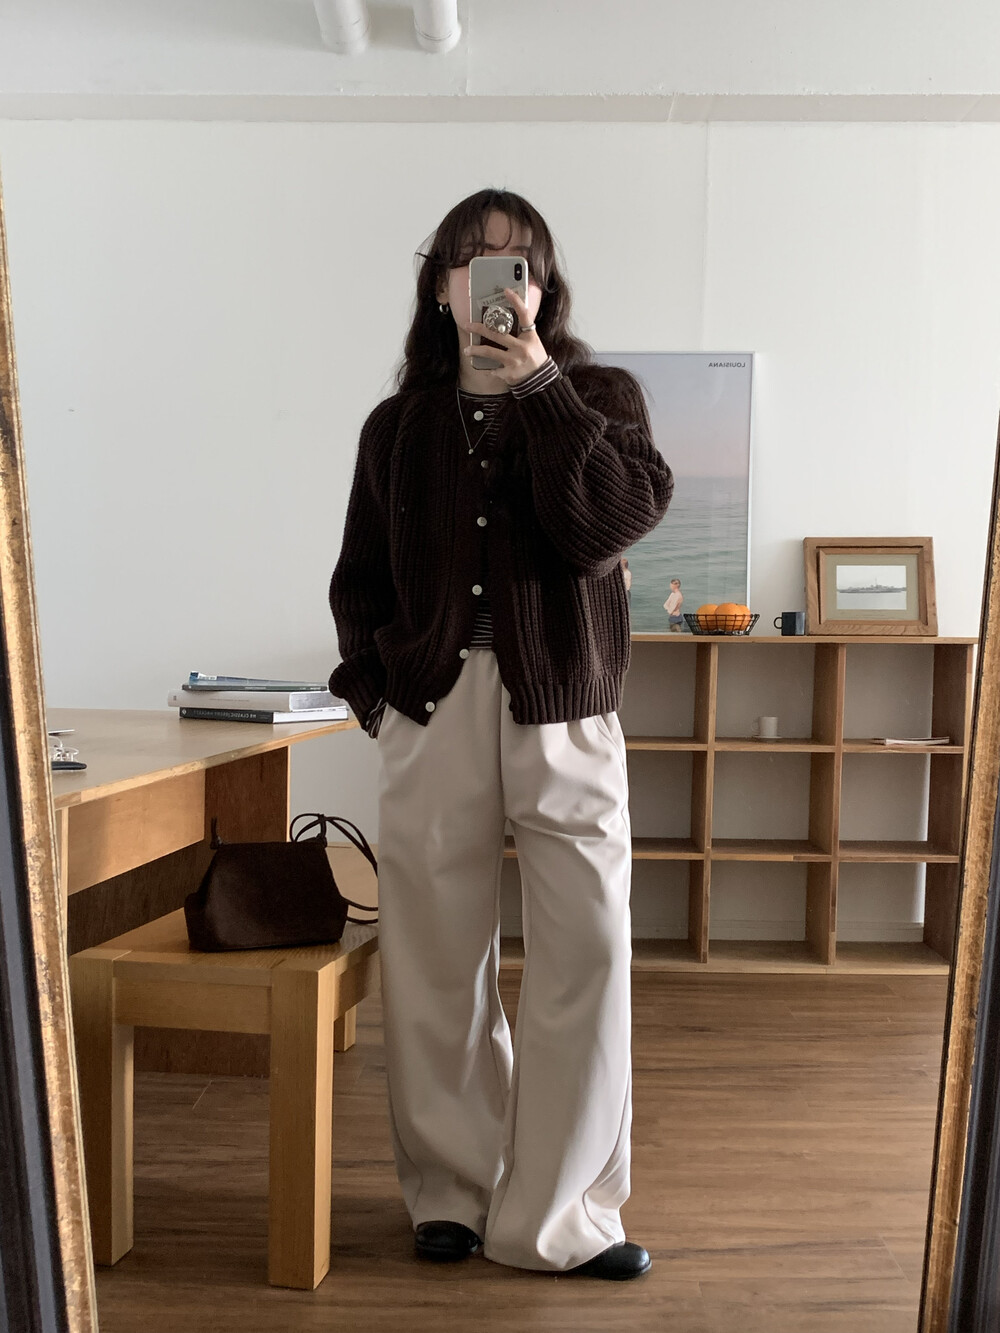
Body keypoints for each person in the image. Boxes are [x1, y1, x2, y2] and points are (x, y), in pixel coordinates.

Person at [328, 189, 673, 1280]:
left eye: (518, 263)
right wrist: (376, 697)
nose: (498, 280)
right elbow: (361, 579)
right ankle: (454, 1190)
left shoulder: (597, 397)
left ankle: (563, 1215)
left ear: (543, 285)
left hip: (564, 706)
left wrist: (538, 385)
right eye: (475, 262)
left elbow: (605, 528)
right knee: (437, 956)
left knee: (592, 950)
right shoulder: (397, 427)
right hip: (433, 707)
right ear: (441, 287)